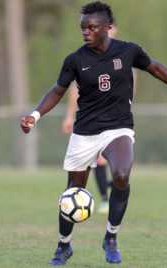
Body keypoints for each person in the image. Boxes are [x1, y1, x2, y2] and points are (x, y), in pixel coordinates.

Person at [20, 1, 167, 265]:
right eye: (83, 28)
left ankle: (111, 237)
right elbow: (57, 91)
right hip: (85, 132)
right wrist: (35, 115)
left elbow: (155, 68)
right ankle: (64, 246)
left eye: (91, 27)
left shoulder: (129, 51)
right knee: (73, 192)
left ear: (107, 28)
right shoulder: (75, 60)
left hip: (118, 127)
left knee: (121, 174)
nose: (85, 32)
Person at [61, 23, 137, 216]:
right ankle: (104, 198)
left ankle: (109, 192)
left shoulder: (123, 58)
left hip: (116, 122)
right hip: (91, 123)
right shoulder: (84, 59)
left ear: (113, 29)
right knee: (99, 161)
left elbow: (131, 89)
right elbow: (73, 89)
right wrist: (70, 115)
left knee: (116, 166)